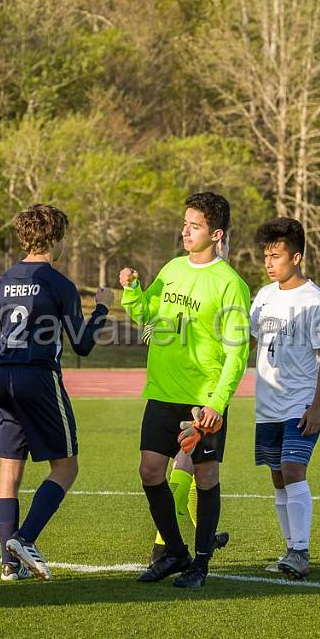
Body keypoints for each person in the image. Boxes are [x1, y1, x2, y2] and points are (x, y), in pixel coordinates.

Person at [120, 191, 250, 588]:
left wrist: (218, 402)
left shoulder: (231, 284)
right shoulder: (173, 268)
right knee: (150, 470)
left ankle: (201, 565)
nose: (185, 232)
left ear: (216, 233)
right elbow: (145, 314)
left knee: (206, 478)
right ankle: (176, 552)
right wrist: (131, 290)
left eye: (194, 226)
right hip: (161, 391)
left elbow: (238, 351)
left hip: (201, 402)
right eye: (185, 224)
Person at [0, 204, 110, 581]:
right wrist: (101, 308)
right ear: (55, 239)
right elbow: (83, 344)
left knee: (9, 472)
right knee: (66, 466)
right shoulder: (59, 284)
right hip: (38, 377)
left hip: (1, 377)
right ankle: (25, 539)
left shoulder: (2, 282)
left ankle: (9, 566)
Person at [249, 217, 320, 578]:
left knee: (292, 469)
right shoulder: (264, 296)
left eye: (277, 256)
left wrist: (316, 406)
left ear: (297, 257)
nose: (269, 263)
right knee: (277, 476)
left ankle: (301, 552)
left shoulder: (315, 301)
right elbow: (256, 339)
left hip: (300, 402)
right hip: (268, 403)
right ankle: (290, 549)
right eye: (266, 256)